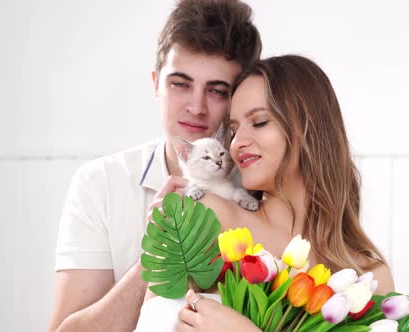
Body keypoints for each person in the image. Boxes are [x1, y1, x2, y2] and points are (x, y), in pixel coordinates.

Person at [138, 55, 395, 331]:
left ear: (309, 129)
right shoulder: (204, 217)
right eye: (234, 130)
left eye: (259, 122)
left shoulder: (368, 273)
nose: (237, 144)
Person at [48, 1, 262, 330]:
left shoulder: (265, 184)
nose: (196, 107)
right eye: (180, 84)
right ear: (155, 84)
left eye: (217, 91)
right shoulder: (101, 183)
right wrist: (157, 255)